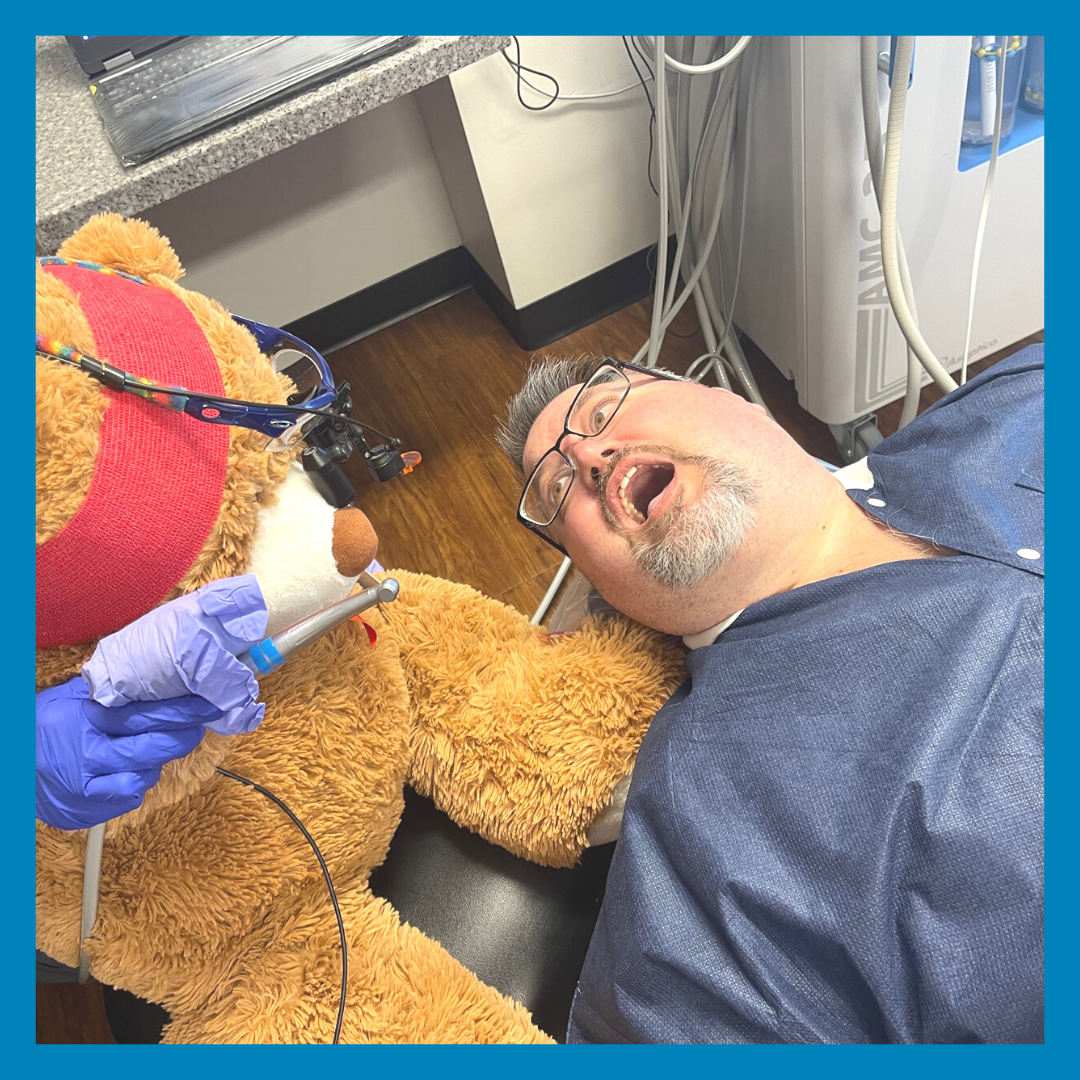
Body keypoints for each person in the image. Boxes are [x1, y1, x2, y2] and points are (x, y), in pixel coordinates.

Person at [496, 345, 1043, 1043]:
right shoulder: (706, 850)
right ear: (602, 588)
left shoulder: (1023, 397)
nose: (592, 459)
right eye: (557, 490)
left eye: (604, 410)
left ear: (724, 397)